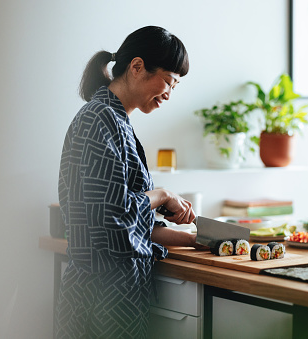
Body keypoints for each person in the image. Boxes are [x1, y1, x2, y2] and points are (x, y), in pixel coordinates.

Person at [56, 26, 202, 339]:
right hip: (102, 296)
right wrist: (162, 195)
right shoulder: (100, 120)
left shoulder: (115, 120)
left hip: (115, 293)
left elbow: (129, 224)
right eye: (169, 81)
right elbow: (114, 214)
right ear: (136, 67)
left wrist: (196, 241)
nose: (169, 94)